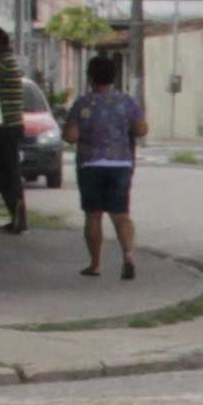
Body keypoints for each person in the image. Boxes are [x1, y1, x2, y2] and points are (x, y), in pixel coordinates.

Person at [69, 49, 150, 280]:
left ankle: (95, 264)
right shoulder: (127, 102)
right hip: (121, 164)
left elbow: (71, 135)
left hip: (90, 165)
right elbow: (142, 129)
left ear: (90, 77)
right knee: (121, 214)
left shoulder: (83, 103)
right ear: (113, 77)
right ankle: (128, 256)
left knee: (93, 215)